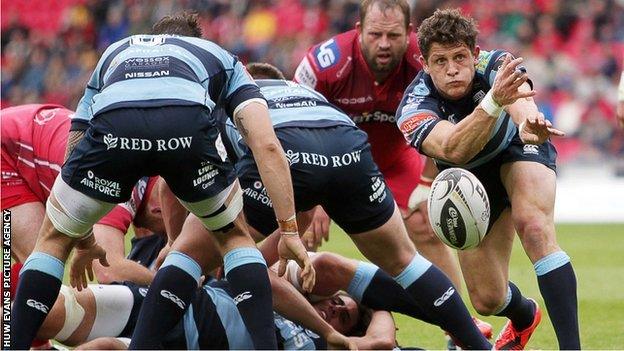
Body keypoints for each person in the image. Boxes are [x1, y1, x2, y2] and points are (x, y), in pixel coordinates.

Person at [10, 12, 311, 350]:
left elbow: (77, 139)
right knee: (234, 239)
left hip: (115, 132)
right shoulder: (218, 57)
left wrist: (77, 231)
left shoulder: (116, 51)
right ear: (195, 42)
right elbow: (267, 145)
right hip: (186, 132)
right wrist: (288, 230)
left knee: (52, 240)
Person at [205, 62, 492, 349]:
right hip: (347, 151)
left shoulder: (230, 120)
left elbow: (249, 262)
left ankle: (459, 327)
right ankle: (461, 329)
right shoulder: (313, 78)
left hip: (246, 265)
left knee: (315, 266)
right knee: (239, 267)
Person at [395, 9, 578, 350]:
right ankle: (524, 315)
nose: (452, 69)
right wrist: (494, 102)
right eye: (441, 61)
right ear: (424, 63)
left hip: (518, 150)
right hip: (469, 178)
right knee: (487, 299)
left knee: (534, 227)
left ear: (474, 55)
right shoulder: (412, 107)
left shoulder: (496, 65)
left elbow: (520, 97)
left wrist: (527, 122)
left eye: (460, 57)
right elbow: (453, 148)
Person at [293, 0, 466, 310]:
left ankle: (461, 329)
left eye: (394, 36)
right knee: (299, 231)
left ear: (409, 32)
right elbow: (296, 127)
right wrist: (314, 196)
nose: (384, 44)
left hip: (396, 160)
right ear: (359, 31)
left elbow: (446, 125)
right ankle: (299, 325)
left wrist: (427, 184)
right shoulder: (323, 64)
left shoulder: (428, 58)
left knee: (425, 224)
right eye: (375, 35)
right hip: (331, 166)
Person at [1, 104, 164, 285]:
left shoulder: (142, 162)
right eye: (161, 233)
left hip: (23, 137)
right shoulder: (120, 192)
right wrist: (173, 288)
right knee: (41, 267)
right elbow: (109, 270)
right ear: (157, 211)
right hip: (7, 152)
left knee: (37, 273)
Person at [15, 268, 360, 350]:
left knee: (107, 349)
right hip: (167, 299)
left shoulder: (319, 346)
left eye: (345, 317)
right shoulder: (296, 289)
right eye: (338, 300)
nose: (336, 308)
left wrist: (374, 318)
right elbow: (265, 279)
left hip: (185, 344)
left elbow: (382, 339)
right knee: (55, 310)